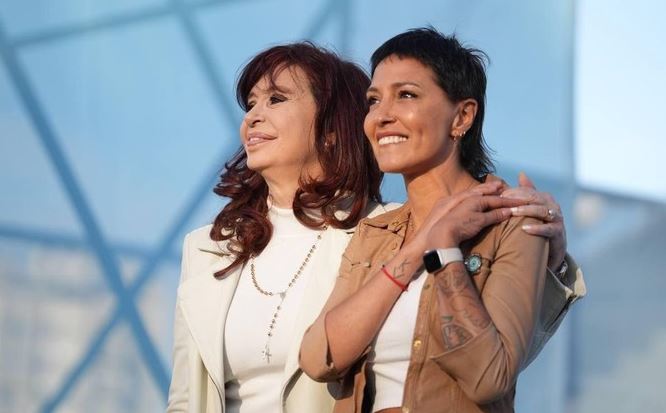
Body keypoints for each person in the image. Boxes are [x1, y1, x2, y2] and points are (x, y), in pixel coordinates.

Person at [167, 41, 583, 413]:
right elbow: (190, 397)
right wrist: (425, 246)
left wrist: (550, 263)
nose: (253, 117)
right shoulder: (207, 248)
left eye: (276, 99)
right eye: (250, 104)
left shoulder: (373, 224)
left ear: (332, 129)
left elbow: (493, 367)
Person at [299, 28, 585, 413]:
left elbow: (488, 378)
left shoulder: (513, 221)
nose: (381, 116)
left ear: (462, 116)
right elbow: (318, 359)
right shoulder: (375, 232)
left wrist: (444, 252)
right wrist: (418, 247)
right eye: (374, 100)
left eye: (406, 95)